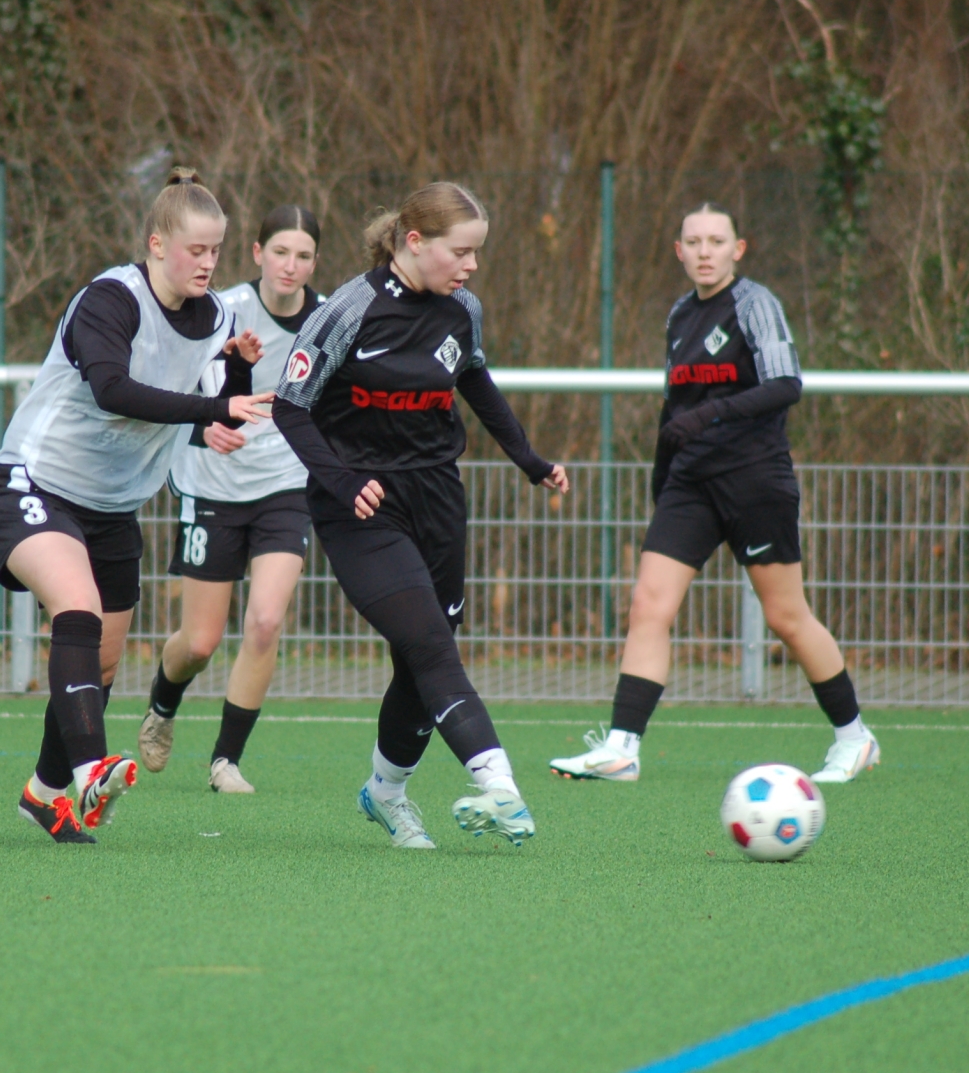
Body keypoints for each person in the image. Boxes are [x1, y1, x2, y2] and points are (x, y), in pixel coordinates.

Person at [0, 168, 271, 843]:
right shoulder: (110, 300)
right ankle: (91, 771)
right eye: (195, 250)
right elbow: (113, 391)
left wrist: (229, 390)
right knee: (76, 608)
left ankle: (43, 792)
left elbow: (198, 398)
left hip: (114, 506)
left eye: (216, 250)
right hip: (38, 482)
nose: (208, 263)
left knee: (103, 665)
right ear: (157, 244)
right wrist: (211, 409)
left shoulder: (217, 317)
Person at [274, 182, 570, 849]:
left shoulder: (463, 308)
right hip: (362, 507)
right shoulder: (349, 310)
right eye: (460, 252)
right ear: (414, 241)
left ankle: (385, 793)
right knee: (432, 645)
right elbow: (291, 405)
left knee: (420, 661)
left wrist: (528, 460)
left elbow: (475, 380)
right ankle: (500, 786)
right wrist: (343, 480)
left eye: (476, 252)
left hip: (438, 499)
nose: (471, 266)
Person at [548, 203, 880, 786]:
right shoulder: (680, 315)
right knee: (648, 604)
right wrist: (662, 476)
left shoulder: (755, 305)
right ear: (679, 251)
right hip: (690, 485)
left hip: (754, 479)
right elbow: (674, 408)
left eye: (717, 241)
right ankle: (622, 748)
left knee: (786, 616)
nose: (705, 251)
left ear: (737, 250)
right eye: (694, 242)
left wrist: (709, 417)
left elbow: (786, 385)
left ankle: (855, 739)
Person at [138, 205, 326, 794]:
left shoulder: (329, 321)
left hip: (285, 486)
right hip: (212, 486)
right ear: (257, 253)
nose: (290, 266)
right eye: (280, 252)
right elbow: (172, 388)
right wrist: (204, 427)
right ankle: (162, 706)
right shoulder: (223, 311)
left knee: (266, 621)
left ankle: (226, 761)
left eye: (303, 256)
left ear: (315, 263)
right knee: (199, 643)